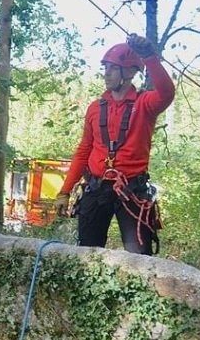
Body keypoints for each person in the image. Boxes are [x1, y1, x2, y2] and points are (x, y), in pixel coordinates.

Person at [54, 34, 175, 254]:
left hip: (131, 190)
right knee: (86, 255)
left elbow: (167, 93)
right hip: (97, 187)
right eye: (105, 67)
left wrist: (149, 57)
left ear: (128, 73)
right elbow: (83, 151)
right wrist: (64, 191)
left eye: (113, 68)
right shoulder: (95, 108)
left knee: (140, 261)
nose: (106, 73)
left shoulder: (144, 104)